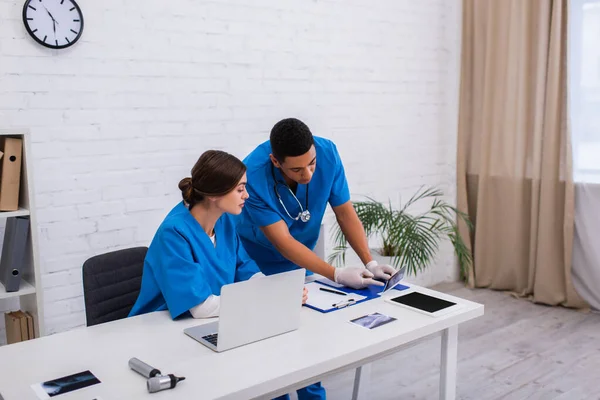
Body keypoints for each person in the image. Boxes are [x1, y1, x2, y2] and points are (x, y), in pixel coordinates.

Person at [235, 118, 396, 400]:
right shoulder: (254, 174)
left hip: (301, 257)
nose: (308, 173)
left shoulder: (328, 153)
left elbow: (345, 213)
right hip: (256, 260)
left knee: (305, 339)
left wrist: (369, 261)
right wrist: (334, 273)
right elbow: (283, 242)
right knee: (271, 342)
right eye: (297, 169)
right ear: (275, 161)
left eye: (311, 164)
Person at [129, 150, 308, 320]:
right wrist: (270, 300)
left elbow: (244, 269)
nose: (246, 195)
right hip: (159, 328)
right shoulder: (174, 234)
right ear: (214, 194)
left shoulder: (224, 221)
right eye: (240, 189)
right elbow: (201, 307)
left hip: (209, 322)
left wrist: (277, 290)